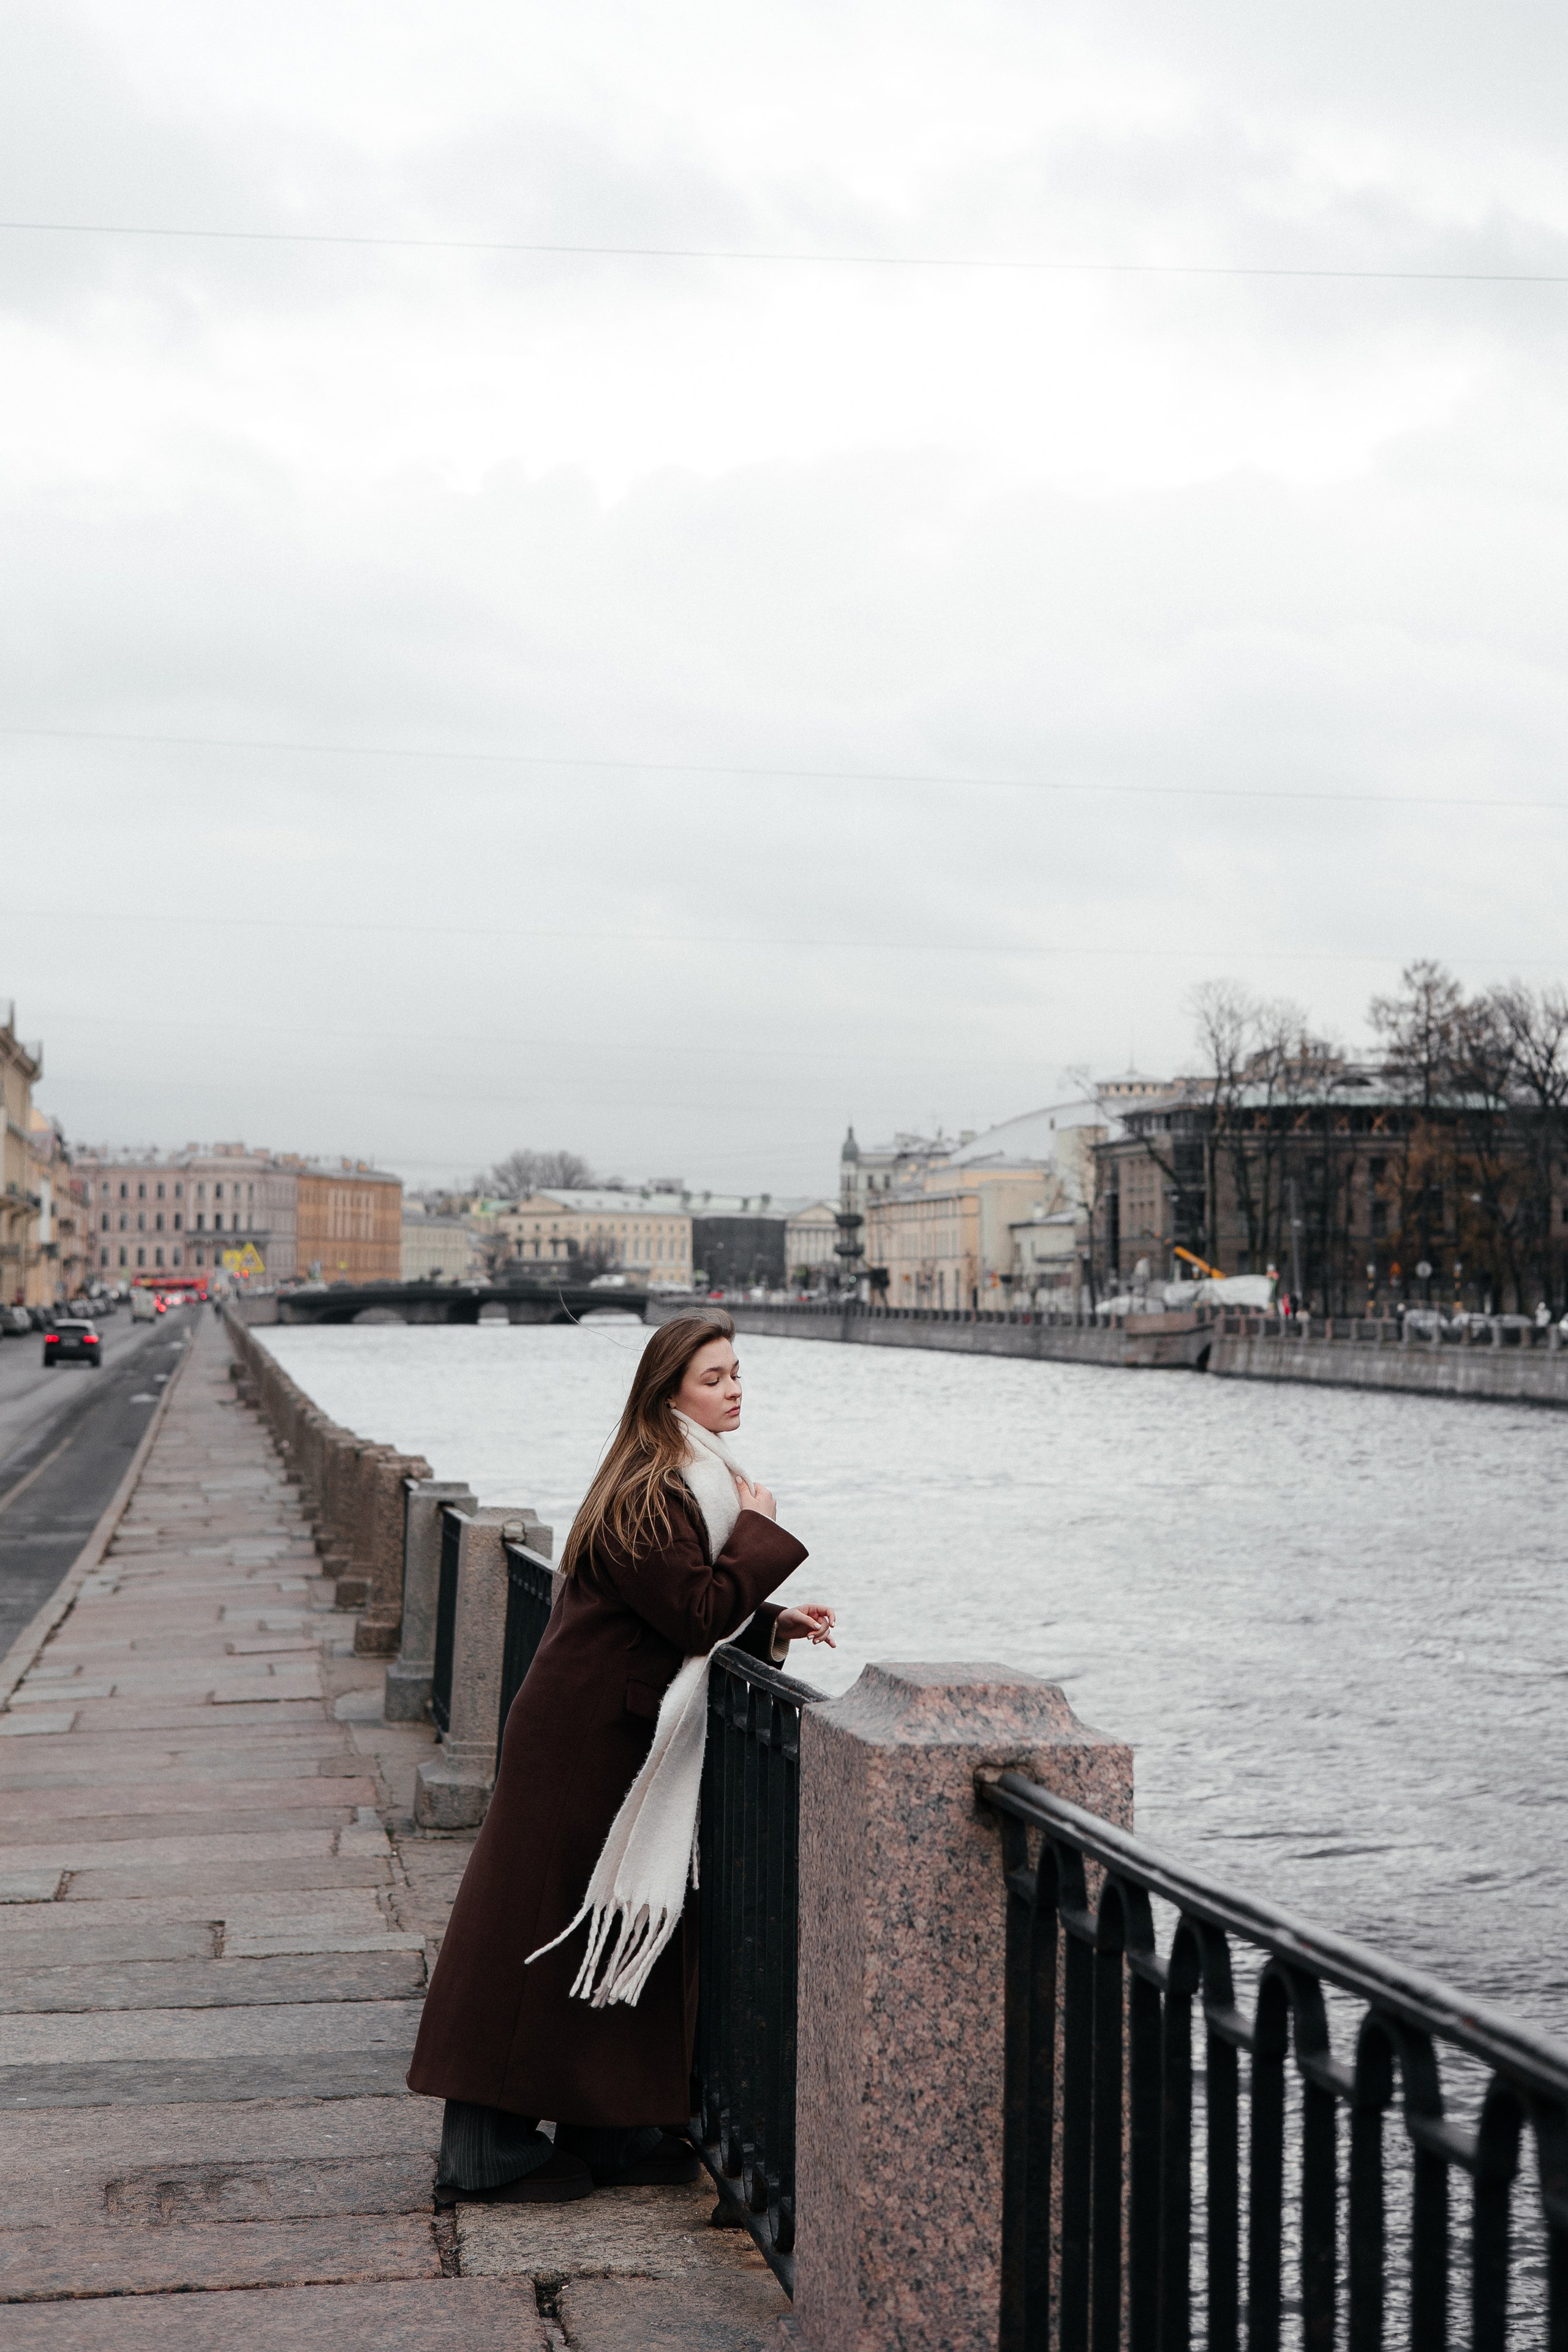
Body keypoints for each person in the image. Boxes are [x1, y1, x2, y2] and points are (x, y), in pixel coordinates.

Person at [407, 1310, 835, 2206]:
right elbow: (685, 1611)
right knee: (538, 1922)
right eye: (715, 1377)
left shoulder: (680, 1475)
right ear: (667, 1392)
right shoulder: (653, 1484)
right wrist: (758, 1535)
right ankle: (483, 2144)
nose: (735, 1389)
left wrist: (766, 1622)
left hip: (617, 1722)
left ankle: (615, 2125)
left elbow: (674, 1604)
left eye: (737, 1373)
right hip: (586, 1733)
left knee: (616, 1910)